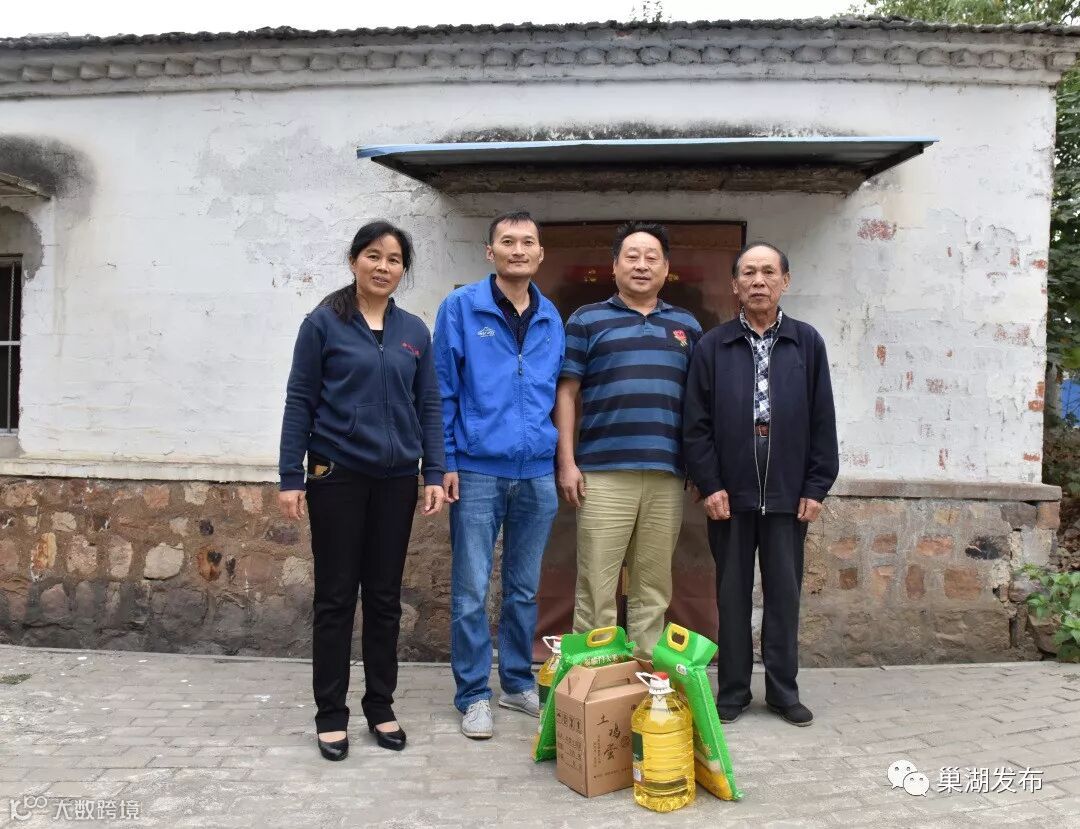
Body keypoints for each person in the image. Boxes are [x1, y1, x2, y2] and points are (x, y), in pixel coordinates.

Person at [278, 220, 446, 760]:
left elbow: (429, 405)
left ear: (403, 270)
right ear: (354, 261)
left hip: (396, 479)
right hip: (337, 475)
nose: (383, 266)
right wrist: (290, 476)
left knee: (383, 597)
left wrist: (434, 471)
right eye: (373, 255)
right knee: (334, 598)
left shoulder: (414, 331)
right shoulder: (322, 323)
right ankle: (330, 713)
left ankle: (380, 706)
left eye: (394, 259)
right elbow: (300, 399)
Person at [682, 241, 838, 728]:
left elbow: (823, 419)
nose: (758, 281)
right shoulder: (713, 345)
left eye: (768, 272)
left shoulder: (806, 342)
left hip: (789, 495)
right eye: (748, 272)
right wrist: (710, 484)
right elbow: (695, 424)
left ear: (784, 281)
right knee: (731, 596)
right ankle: (732, 690)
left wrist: (816, 486)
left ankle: (783, 692)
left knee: (784, 597)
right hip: (730, 495)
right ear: (735, 285)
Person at [434, 209, 564, 740]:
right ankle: (472, 694)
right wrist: (445, 461)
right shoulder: (462, 308)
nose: (518, 250)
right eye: (507, 241)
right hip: (477, 469)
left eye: (527, 242)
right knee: (470, 590)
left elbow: (555, 393)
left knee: (524, 589)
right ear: (490, 252)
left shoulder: (551, 317)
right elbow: (442, 389)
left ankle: (515, 681)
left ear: (540, 254)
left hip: (537, 471)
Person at [555, 221, 702, 659]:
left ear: (666, 268)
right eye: (632, 256)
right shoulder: (586, 320)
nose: (641, 265)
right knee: (596, 585)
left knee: (653, 586)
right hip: (602, 474)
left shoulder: (686, 325)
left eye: (651, 258)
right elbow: (566, 393)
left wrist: (698, 466)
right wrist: (567, 462)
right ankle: (593, 677)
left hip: (666, 473)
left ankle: (644, 676)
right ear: (614, 265)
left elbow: (700, 402)